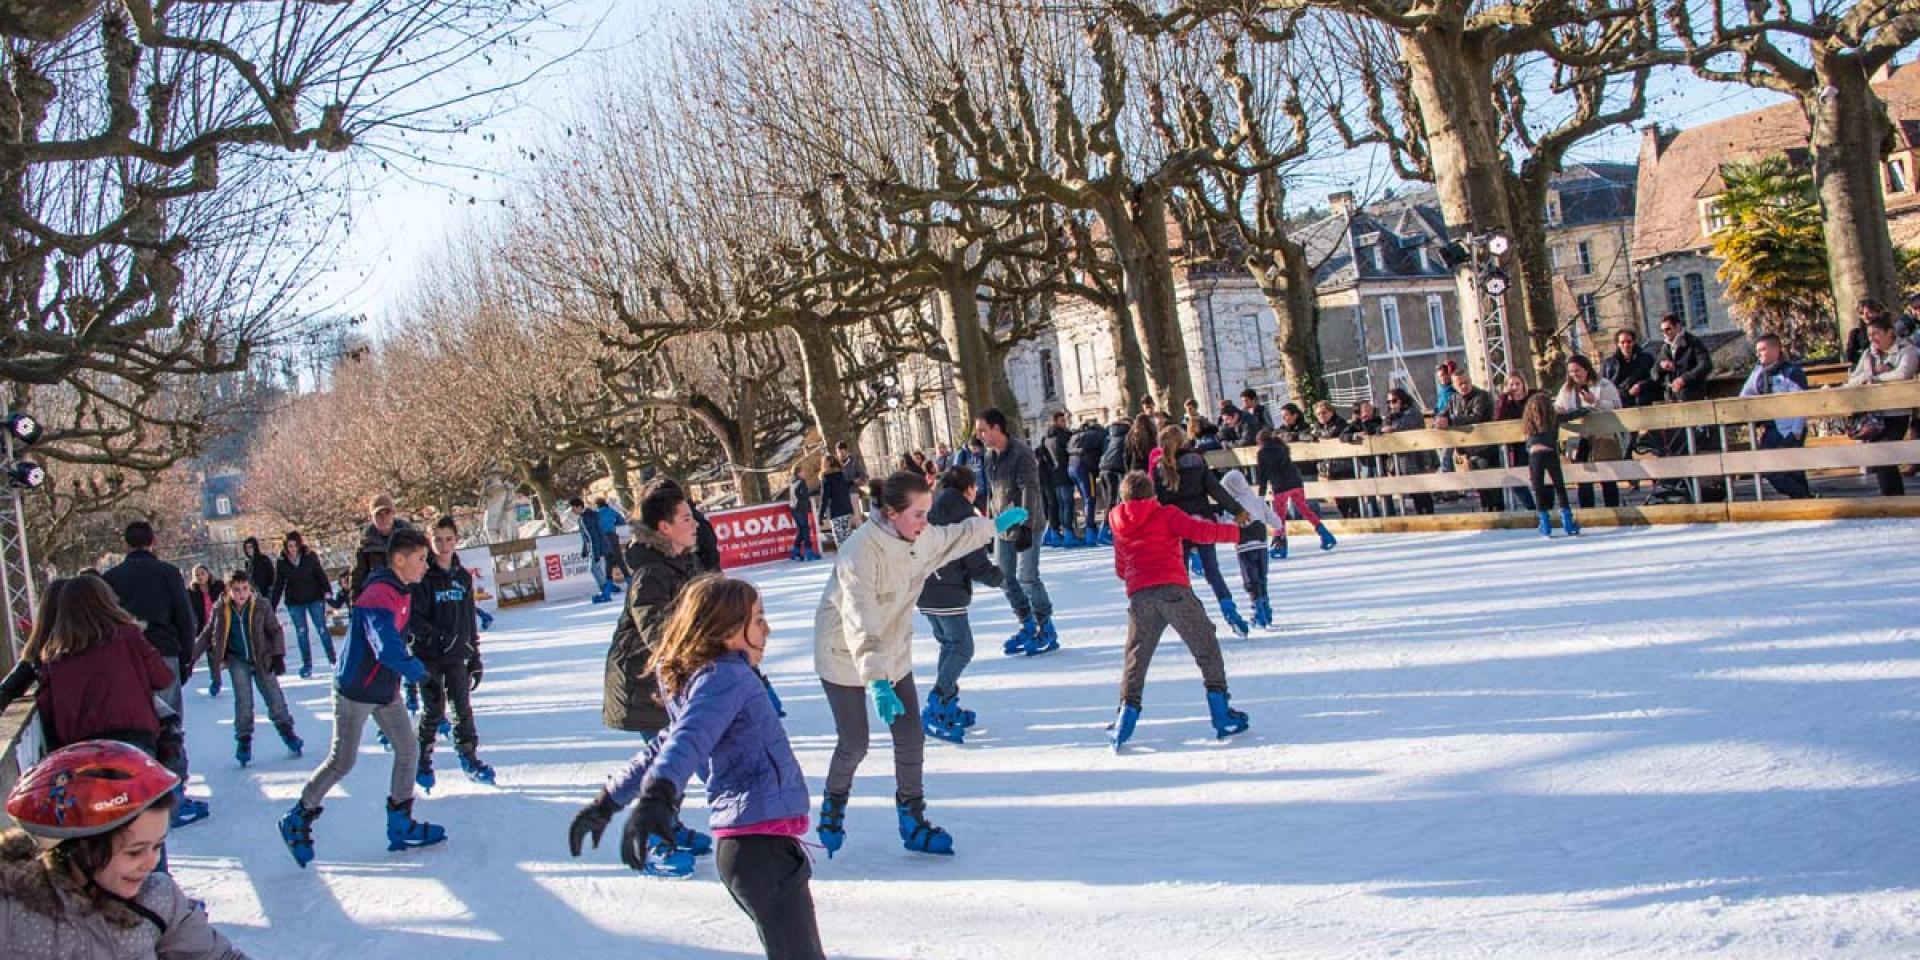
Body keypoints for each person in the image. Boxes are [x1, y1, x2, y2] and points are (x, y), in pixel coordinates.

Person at [568, 577, 825, 960]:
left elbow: (666, 745)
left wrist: (607, 801)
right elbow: (686, 739)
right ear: (724, 630)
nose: (767, 629)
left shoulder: (709, 681)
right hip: (759, 850)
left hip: (754, 847)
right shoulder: (726, 677)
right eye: (757, 619)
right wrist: (658, 796)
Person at [812, 471, 1024, 859]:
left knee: (910, 736)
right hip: (843, 654)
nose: (926, 523)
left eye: (927, 513)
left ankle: (912, 819)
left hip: (892, 650)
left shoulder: (919, 535)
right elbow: (860, 619)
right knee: (854, 743)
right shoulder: (859, 553)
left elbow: (953, 537)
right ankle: (832, 807)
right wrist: (876, 681)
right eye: (918, 515)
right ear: (891, 513)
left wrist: (992, 526)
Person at [278, 527, 442, 868]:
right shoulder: (378, 595)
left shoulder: (402, 591)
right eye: (421, 559)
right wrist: (421, 675)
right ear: (399, 559)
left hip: (384, 690)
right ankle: (298, 817)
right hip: (355, 690)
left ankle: (400, 822)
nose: (426, 565)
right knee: (343, 760)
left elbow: (401, 635)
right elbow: (386, 647)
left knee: (408, 749)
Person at [2, 740, 251, 959]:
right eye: (135, 852)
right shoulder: (13, 910)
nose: (151, 862)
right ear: (83, 848)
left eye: (158, 846)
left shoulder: (157, 900)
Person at [604, 478, 721, 858]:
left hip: (669, 682)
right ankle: (652, 839)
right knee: (668, 761)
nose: (696, 523)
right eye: (687, 518)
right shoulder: (650, 575)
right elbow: (660, 636)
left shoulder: (683, 564)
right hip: (643, 683)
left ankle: (668, 824)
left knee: (679, 758)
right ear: (664, 528)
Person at [1106, 471, 1251, 750]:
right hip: (1174, 591)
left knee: (1136, 656)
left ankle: (1126, 717)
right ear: (1152, 495)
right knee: (1205, 644)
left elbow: (1121, 569)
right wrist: (1235, 532)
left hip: (1140, 597)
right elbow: (1201, 532)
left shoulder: (1116, 520)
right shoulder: (1167, 514)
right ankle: (1222, 713)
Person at [101, 521, 206, 827]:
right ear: (153, 541)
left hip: (126, 660)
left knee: (137, 727)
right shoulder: (167, 574)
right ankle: (174, 796)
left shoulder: (111, 579)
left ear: (126, 544)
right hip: (163, 652)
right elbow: (185, 617)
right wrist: (186, 657)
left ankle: (143, 794)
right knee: (169, 725)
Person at [0, 577, 174, 759]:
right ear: (105, 601)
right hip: (135, 735)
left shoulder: (53, 652)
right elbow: (163, 678)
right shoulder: (127, 635)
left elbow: (44, 702)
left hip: (79, 746)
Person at [915, 466, 1006, 744]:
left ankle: (947, 703)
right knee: (963, 647)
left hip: (924, 590)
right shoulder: (964, 515)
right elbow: (976, 562)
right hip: (947, 593)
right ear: (968, 489)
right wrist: (1000, 577)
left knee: (949, 645)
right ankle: (937, 702)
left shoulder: (930, 509)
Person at [409, 516, 491, 790]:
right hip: (428, 655)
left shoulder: (462, 577)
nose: (443, 545)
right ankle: (423, 758)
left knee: (462, 707)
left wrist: (475, 655)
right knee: (433, 710)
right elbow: (414, 619)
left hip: (456, 654)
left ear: (456, 540)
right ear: (429, 542)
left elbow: (469, 619)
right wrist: (437, 637)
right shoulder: (422, 577)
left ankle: (469, 756)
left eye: (448, 539)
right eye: (437, 540)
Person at [190, 571, 301, 768]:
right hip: (237, 659)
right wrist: (190, 659)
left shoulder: (261, 605)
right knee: (243, 701)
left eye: (245, 589)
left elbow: (274, 630)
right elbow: (208, 634)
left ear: (250, 589)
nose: (241, 594)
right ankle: (243, 741)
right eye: (236, 590)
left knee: (274, 696)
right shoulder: (221, 609)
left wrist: (277, 656)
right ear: (228, 591)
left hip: (262, 657)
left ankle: (287, 732)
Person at [1152, 425, 1252, 639]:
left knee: (1182, 578)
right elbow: (1215, 489)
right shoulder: (1197, 462)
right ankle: (1229, 610)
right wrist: (1237, 511)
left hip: (1176, 527)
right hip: (1201, 523)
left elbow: (1156, 502)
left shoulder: (1159, 469)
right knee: (1212, 572)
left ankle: (1198, 618)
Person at [974, 408, 1056, 656]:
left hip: (1026, 524)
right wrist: (988, 522)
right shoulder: (989, 456)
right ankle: (1027, 623)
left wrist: (1026, 527)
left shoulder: (1021, 453)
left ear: (997, 428)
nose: (979, 436)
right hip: (1002, 525)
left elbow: (1029, 489)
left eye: (983, 430)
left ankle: (1046, 627)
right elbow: (992, 492)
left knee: (1027, 577)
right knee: (1003, 577)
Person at [1846, 313, 1920, 496]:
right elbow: (1855, 377)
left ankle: (1893, 496)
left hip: (1897, 411)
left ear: (1890, 332)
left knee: (1884, 451)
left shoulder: (1907, 350)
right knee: (1877, 454)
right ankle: (1891, 495)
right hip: (1875, 413)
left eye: (1877, 334)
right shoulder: (1869, 354)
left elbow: (1903, 373)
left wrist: (1876, 377)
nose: (1873, 339)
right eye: (1870, 335)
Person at [1739, 333, 1814, 500]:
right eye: (1757, 351)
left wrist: (1796, 431)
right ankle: (1804, 496)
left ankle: (1803, 501)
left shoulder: (1791, 371)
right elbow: (1744, 396)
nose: (1759, 354)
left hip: (1790, 428)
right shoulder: (1758, 373)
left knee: (1794, 469)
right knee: (1768, 467)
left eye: (1763, 350)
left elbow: (1803, 402)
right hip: (1770, 428)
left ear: (1776, 349)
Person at [1556, 355, 1625, 508]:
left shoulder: (1603, 384)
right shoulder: (1566, 389)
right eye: (1571, 372)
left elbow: (1617, 405)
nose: (1575, 374)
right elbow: (1559, 407)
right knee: (1583, 475)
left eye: (1578, 370)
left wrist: (1595, 401)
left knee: (1607, 475)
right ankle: (1587, 510)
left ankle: (1612, 508)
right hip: (1578, 436)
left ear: (1586, 369)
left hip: (1602, 434)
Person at [1256, 428, 1336, 557]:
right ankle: (1325, 534)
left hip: (1280, 487)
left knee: (1279, 517)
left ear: (1260, 442)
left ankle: (1280, 544)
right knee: (1305, 509)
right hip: (1295, 483)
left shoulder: (1263, 453)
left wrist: (1261, 495)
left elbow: (1262, 476)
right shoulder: (1282, 447)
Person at [1436, 367, 1502, 512]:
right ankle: (1487, 510)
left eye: (1466, 382)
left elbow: (1475, 417)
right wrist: (1441, 419)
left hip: (1485, 447)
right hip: (1468, 449)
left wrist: (1451, 420)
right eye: (1460, 384)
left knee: (1492, 485)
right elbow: (1444, 412)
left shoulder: (1482, 396)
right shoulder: (1454, 398)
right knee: (1479, 485)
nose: (1464, 386)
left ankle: (1498, 512)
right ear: (1454, 385)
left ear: (1470, 381)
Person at [271, 531, 335, 679]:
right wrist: (272, 605)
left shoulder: (309, 557)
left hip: (314, 597)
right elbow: (279, 584)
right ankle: (307, 664)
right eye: (289, 546)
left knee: (321, 628)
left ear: (299, 545)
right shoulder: (282, 562)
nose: (292, 549)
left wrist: (327, 590)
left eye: (294, 546)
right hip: (295, 601)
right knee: (301, 632)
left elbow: (320, 574)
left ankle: (333, 659)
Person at [1523, 391, 1579, 537]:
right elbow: (1572, 415)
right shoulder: (1554, 418)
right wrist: (1586, 410)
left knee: (1539, 488)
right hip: (1549, 451)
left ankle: (1544, 523)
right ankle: (1567, 521)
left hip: (1535, 454)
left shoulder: (1529, 421)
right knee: (1559, 487)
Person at [1381, 389, 1436, 516]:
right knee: (1413, 490)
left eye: (1394, 401)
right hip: (1404, 460)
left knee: (1422, 490)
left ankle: (1429, 515)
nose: (1391, 405)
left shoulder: (1412, 412)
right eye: (1388, 402)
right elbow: (1383, 427)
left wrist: (1391, 426)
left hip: (1418, 458)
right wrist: (1389, 420)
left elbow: (1402, 425)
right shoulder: (1392, 414)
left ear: (1402, 400)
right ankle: (1421, 514)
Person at [348, 494, 412, 601]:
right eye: (378, 514)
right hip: (380, 598)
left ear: (394, 514)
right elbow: (357, 576)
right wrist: (356, 603)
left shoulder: (410, 537)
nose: (384, 518)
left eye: (387, 513)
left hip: (409, 594)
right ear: (371, 517)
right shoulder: (365, 543)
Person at [1492, 373, 1539, 512]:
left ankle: (1545, 507)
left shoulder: (1533, 397)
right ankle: (1531, 508)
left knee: (1539, 477)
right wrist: (1503, 397)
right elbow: (1497, 419)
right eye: (1511, 384)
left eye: (1517, 384)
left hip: (1534, 441)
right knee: (1516, 481)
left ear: (1523, 384)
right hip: (1516, 446)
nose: (1515, 387)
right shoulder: (1507, 402)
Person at [1309, 401, 1359, 519]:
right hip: (1329, 468)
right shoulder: (1316, 427)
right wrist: (1311, 436)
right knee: (1339, 501)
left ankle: (1356, 518)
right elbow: (1306, 434)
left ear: (1331, 412)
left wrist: (1316, 436)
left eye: (1324, 413)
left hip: (1343, 467)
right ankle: (1347, 518)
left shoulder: (1340, 424)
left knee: (1351, 500)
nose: (1321, 416)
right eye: (1318, 414)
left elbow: (1332, 434)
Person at [571, 497, 616, 604]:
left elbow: (593, 536)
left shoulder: (586, 518)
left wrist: (595, 553)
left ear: (579, 507)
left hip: (597, 547)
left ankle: (606, 591)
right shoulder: (589, 515)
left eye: (573, 508)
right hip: (598, 546)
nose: (572, 511)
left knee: (594, 568)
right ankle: (605, 591)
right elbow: (586, 536)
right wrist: (585, 550)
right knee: (597, 569)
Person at [1041, 414, 1078, 545]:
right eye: (1062, 420)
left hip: (1054, 475)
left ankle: (1059, 532)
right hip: (1064, 472)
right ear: (1056, 421)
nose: (1065, 423)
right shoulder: (1063, 436)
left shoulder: (1046, 438)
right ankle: (1068, 532)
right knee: (1067, 504)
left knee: (1061, 505)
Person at [1069, 418, 1107, 542]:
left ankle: (1088, 527)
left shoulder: (1076, 436)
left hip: (1071, 467)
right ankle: (1090, 530)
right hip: (1085, 468)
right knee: (1090, 498)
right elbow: (1104, 453)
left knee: (1085, 498)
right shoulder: (1099, 435)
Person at [1096, 416, 1133, 544]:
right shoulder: (1127, 436)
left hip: (1103, 468)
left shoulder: (1111, 435)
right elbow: (1127, 455)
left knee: (1109, 501)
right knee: (1114, 501)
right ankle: (1106, 529)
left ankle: (1109, 528)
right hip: (1116, 469)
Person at [819, 453, 856, 546]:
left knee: (840, 541)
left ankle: (843, 559)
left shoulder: (826, 478)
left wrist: (820, 515)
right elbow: (847, 488)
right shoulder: (842, 475)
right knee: (849, 539)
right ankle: (851, 559)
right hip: (847, 510)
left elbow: (824, 498)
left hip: (836, 513)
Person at [786, 466, 821, 563]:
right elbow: (804, 495)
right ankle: (809, 553)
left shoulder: (792, 483)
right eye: (803, 472)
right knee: (805, 530)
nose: (804, 473)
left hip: (794, 509)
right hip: (801, 509)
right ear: (798, 473)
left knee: (801, 530)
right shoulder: (801, 482)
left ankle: (795, 552)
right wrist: (815, 491)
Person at [595, 497, 631, 585]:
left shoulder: (596, 513)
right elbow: (622, 521)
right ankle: (628, 580)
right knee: (619, 559)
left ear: (597, 505)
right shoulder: (611, 511)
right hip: (612, 536)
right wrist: (614, 524)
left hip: (603, 538)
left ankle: (609, 583)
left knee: (608, 561)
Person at [185, 564, 223, 647]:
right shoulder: (191, 592)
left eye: (202, 573)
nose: (200, 577)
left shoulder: (218, 585)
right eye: (197, 575)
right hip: (204, 627)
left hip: (221, 624)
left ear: (208, 574)